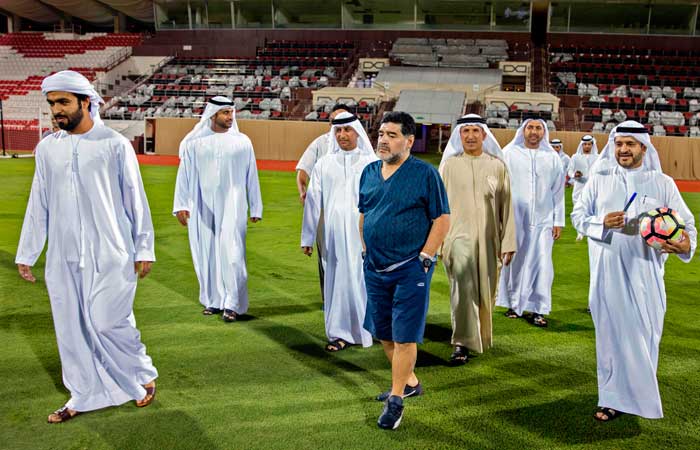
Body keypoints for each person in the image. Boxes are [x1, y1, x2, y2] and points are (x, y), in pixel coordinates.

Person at [16, 70, 158, 423]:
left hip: (110, 251)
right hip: (63, 254)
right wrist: (28, 251)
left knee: (108, 320)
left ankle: (140, 371)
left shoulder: (113, 144)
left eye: (63, 102)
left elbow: (134, 200)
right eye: (52, 104)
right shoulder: (48, 148)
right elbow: (39, 202)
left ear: (86, 102)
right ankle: (83, 393)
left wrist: (144, 247)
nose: (56, 111)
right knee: (69, 327)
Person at [571, 120, 696, 422]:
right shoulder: (599, 179)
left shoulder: (662, 183)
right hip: (607, 273)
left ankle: (640, 396)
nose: (623, 149)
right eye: (618, 144)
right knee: (611, 336)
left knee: (645, 333)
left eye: (630, 144)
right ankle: (611, 398)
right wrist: (602, 223)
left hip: (647, 274)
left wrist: (684, 245)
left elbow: (687, 226)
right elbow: (578, 216)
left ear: (644, 147)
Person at [359, 111, 450, 430]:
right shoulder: (369, 172)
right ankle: (409, 382)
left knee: (404, 335)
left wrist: (425, 257)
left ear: (409, 141)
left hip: (410, 268)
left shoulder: (425, 174)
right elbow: (365, 213)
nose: (383, 139)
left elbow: (442, 220)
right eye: (381, 133)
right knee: (382, 330)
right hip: (374, 266)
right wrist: (365, 249)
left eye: (392, 135)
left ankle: (396, 400)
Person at [173, 96, 263, 323]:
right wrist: (181, 205)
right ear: (212, 115)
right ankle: (213, 300)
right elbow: (183, 176)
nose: (230, 117)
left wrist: (256, 206)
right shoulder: (194, 144)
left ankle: (233, 304)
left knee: (232, 252)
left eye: (232, 112)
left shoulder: (243, 141)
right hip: (201, 204)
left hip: (234, 202)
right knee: (206, 253)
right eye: (225, 113)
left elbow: (251, 175)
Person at [439, 114, 516, 365]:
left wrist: (508, 243)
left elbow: (507, 208)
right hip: (456, 238)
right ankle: (461, 342)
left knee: (486, 291)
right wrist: (438, 242)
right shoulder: (449, 166)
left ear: (484, 135)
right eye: (465, 131)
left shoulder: (497, 166)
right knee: (463, 287)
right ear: (459, 136)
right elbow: (437, 207)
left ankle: (479, 336)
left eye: (475, 131)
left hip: (489, 240)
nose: (470, 136)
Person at [301, 112, 377, 351]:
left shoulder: (371, 164)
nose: (343, 135)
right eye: (338, 131)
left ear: (357, 132)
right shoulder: (324, 163)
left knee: (361, 280)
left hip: (362, 235)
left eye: (347, 130)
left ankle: (365, 331)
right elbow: (313, 202)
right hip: (333, 235)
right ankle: (339, 333)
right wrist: (308, 237)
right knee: (335, 283)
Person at [496, 117, 565, 328]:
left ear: (544, 132)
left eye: (538, 128)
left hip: (544, 220)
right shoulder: (509, 154)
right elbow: (501, 188)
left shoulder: (552, 158)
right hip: (514, 219)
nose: (534, 132)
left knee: (543, 264)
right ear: (523, 131)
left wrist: (558, 221)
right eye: (530, 128)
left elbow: (558, 192)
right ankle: (512, 304)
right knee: (513, 261)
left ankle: (538, 308)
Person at [296, 104, 351, 303]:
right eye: (335, 123)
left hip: (354, 215)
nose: (340, 129)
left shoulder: (362, 148)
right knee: (327, 259)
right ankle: (330, 300)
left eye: (345, 122)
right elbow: (303, 170)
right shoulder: (320, 144)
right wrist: (303, 191)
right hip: (325, 213)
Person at [568, 135, 599, 240]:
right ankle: (580, 232)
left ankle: (591, 231)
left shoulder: (598, 157)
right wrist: (574, 175)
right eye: (585, 144)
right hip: (579, 186)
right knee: (578, 208)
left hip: (593, 186)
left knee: (592, 209)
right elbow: (570, 170)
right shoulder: (575, 157)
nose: (587, 146)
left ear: (592, 145)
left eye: (589, 144)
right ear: (582, 145)